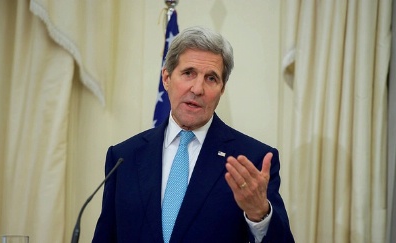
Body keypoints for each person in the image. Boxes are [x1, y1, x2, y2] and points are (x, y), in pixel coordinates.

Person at [92, 26, 294, 243]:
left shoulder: (252, 160)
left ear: (222, 89)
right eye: (189, 73)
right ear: (167, 78)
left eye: (211, 78)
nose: (198, 89)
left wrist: (259, 215)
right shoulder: (123, 158)